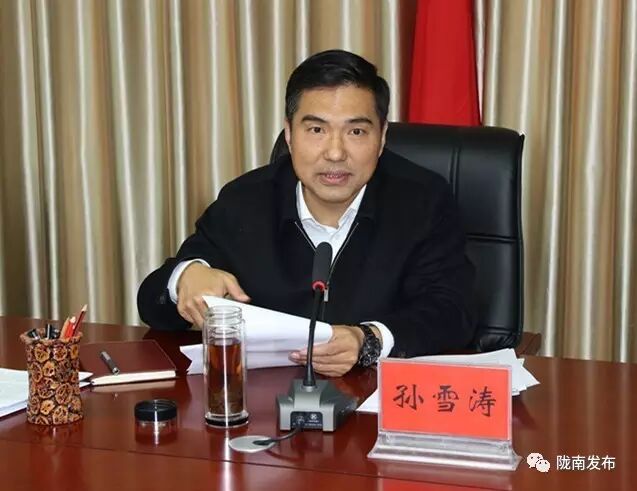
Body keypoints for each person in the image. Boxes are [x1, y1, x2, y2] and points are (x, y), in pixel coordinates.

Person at [137, 49, 475, 377]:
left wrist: (368, 340)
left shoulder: (423, 201)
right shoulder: (246, 200)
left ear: (382, 136)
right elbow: (153, 302)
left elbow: (453, 311)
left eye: (356, 131)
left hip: (374, 400)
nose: (335, 153)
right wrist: (186, 276)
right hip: (266, 402)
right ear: (289, 133)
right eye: (316, 130)